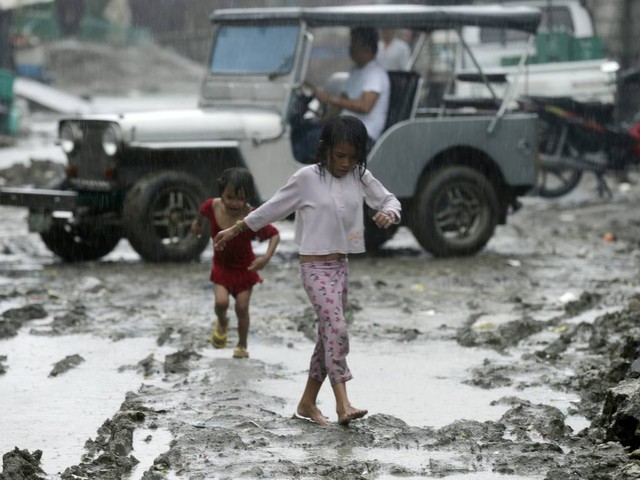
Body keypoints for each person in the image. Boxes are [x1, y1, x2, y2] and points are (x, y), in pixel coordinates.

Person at [214, 116, 401, 426]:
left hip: (341, 267)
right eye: (340, 156)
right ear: (324, 149)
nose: (345, 163)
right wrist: (236, 229)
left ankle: (307, 402)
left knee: (327, 335)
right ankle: (343, 404)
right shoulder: (306, 178)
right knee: (337, 329)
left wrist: (388, 214)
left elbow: (389, 199)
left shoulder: (359, 176)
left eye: (353, 157)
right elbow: (272, 208)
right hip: (314, 267)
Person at [191, 167, 280, 359]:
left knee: (242, 307)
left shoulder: (252, 216)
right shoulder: (212, 206)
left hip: (245, 269)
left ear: (248, 197)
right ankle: (222, 321)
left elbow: (274, 235)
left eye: (241, 198)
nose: (235, 203)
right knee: (221, 303)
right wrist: (197, 224)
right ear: (221, 194)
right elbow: (202, 211)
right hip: (222, 267)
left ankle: (242, 344)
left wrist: (265, 258)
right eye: (230, 197)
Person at [290, 27, 390, 164]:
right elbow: (341, 103)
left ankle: (314, 176)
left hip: (361, 136)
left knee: (311, 140)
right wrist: (322, 120)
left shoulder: (375, 74)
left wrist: (328, 98)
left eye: (353, 43)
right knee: (300, 129)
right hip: (344, 129)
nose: (350, 47)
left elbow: (365, 106)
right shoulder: (356, 71)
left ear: (365, 46)